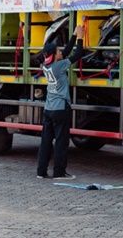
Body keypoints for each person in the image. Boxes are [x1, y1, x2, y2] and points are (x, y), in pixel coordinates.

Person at [36, 24, 84, 180]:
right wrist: (81, 37)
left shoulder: (46, 65)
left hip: (49, 109)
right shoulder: (59, 66)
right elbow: (78, 53)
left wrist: (74, 35)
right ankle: (59, 173)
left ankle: (41, 172)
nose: (60, 52)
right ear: (54, 55)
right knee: (61, 142)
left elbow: (67, 52)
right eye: (58, 51)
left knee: (46, 142)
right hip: (61, 109)